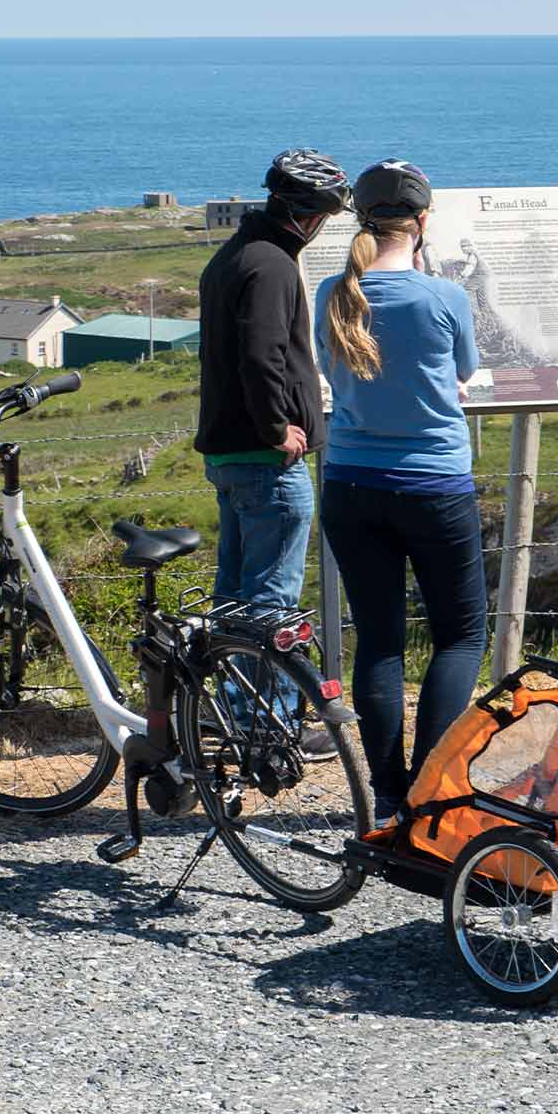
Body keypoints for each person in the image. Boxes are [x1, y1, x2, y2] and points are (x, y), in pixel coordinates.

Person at [314, 159, 487, 826]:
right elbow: (464, 367)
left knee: (381, 642)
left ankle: (386, 799)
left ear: (362, 218)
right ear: (422, 221)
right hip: (433, 483)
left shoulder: (334, 291)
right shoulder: (443, 297)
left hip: (352, 484)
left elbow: (334, 367)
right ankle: (431, 792)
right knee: (460, 636)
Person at [195, 147, 347, 748]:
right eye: (327, 218)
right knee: (270, 601)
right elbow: (263, 356)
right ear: (308, 214)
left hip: (230, 457)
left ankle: (229, 712)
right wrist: (277, 429)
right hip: (266, 461)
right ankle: (268, 723)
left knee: (233, 597)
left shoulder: (233, 257)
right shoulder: (273, 267)